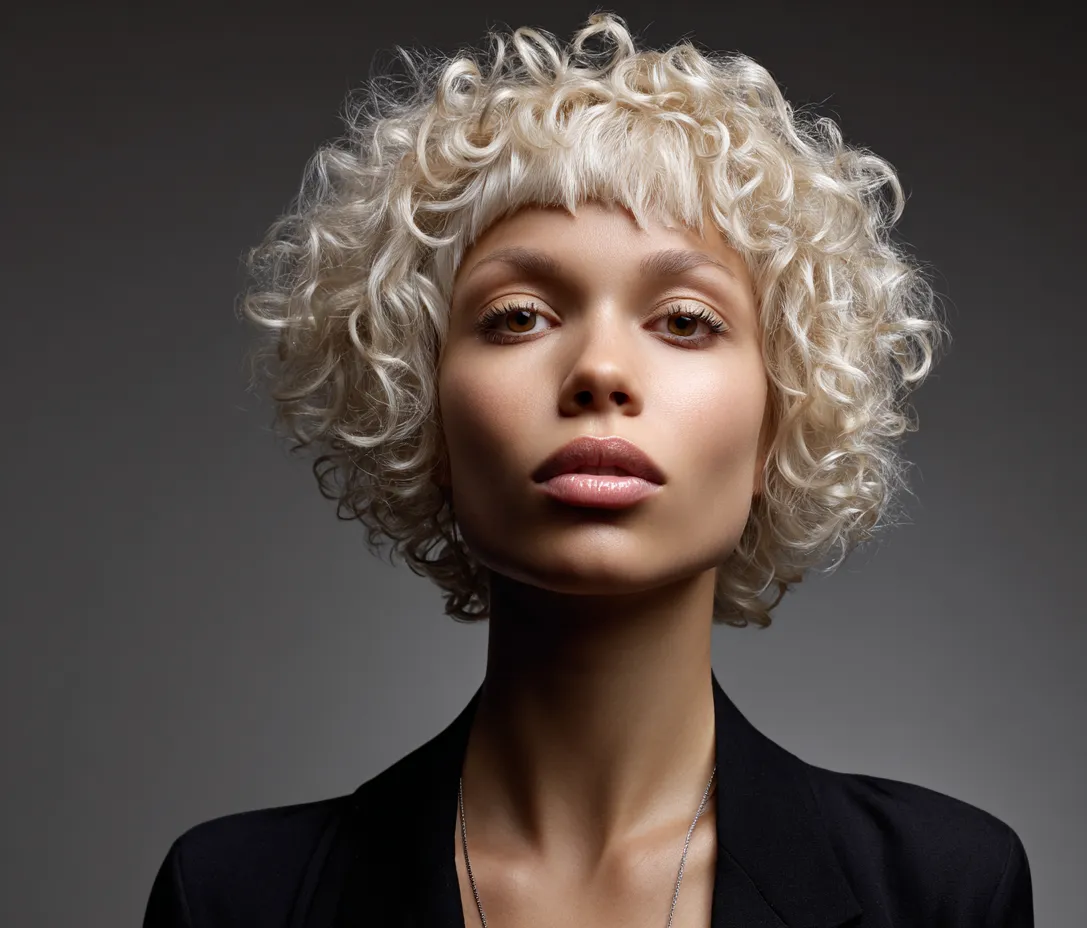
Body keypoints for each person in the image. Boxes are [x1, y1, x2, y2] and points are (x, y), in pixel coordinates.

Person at [142, 11, 1033, 927]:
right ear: (421, 409)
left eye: (685, 321)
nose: (600, 370)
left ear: (780, 425)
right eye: (518, 317)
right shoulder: (230, 900)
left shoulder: (944, 891)